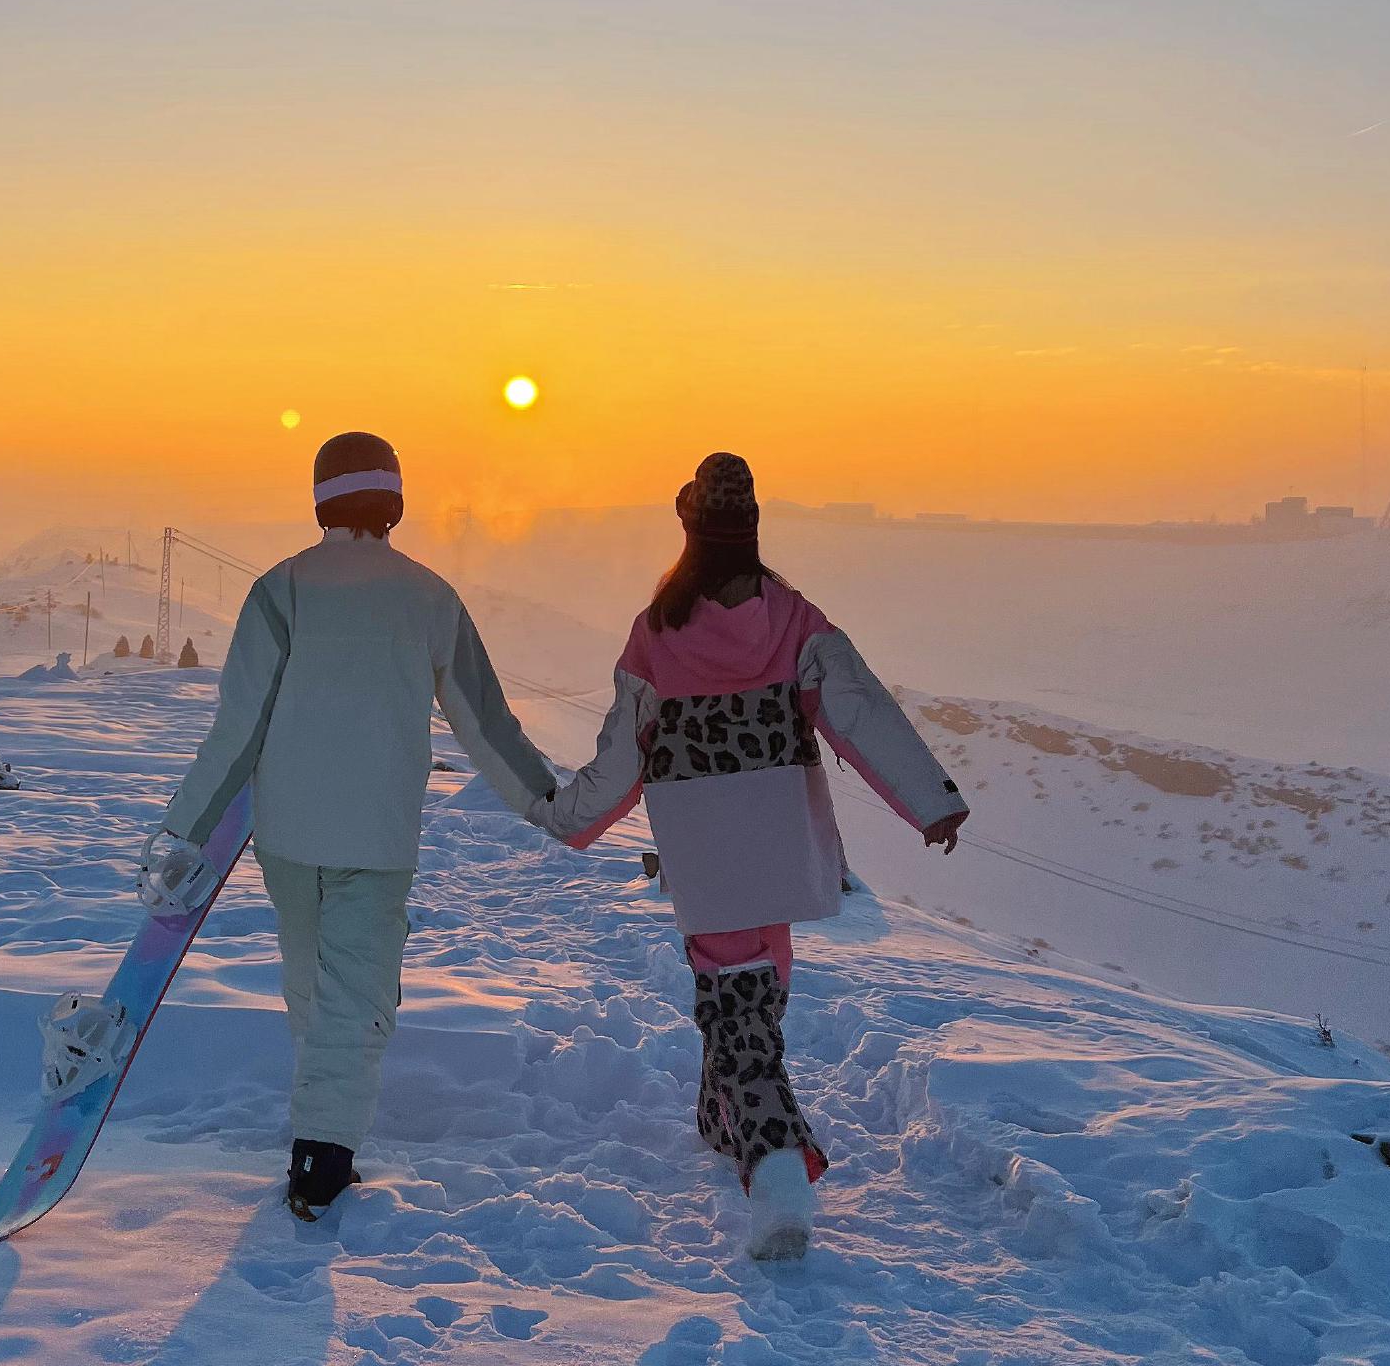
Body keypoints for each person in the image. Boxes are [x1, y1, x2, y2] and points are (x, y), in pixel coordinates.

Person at [530, 452, 967, 1260]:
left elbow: (621, 758)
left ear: (689, 532)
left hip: (705, 852)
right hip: (782, 847)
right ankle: (717, 1117)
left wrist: (567, 816)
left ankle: (777, 1176)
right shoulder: (795, 620)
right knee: (753, 995)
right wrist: (931, 800)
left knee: (739, 1012)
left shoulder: (657, 634)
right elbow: (860, 710)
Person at [145, 430, 553, 1219]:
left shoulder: (279, 589)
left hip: (288, 836)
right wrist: (549, 803)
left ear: (320, 498)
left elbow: (237, 730)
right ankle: (322, 1159)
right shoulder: (429, 596)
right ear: (395, 501)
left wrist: (181, 834)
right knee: (358, 995)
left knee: (312, 987)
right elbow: (485, 723)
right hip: (376, 836)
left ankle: (318, 1130)